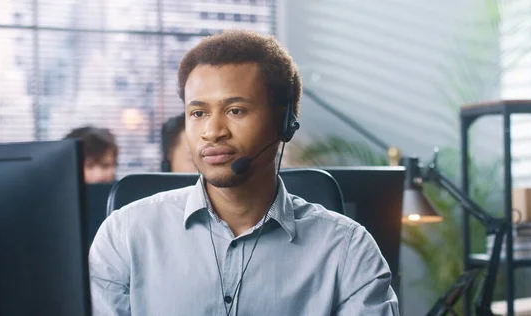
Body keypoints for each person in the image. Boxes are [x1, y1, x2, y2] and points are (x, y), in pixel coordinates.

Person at [89, 30, 399, 315]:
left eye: (235, 110)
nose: (212, 132)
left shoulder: (347, 249)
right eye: (198, 113)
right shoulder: (124, 235)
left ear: (284, 123)